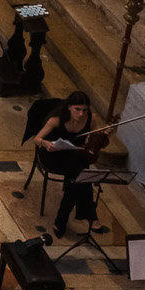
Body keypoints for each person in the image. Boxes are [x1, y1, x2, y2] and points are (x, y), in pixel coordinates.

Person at [32, 90, 106, 236]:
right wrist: (45, 143)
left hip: (75, 154)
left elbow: (96, 138)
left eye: (84, 110)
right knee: (81, 175)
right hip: (53, 154)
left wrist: (103, 135)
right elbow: (37, 139)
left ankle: (62, 218)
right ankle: (91, 215)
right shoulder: (57, 119)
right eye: (77, 109)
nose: (81, 114)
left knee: (77, 177)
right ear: (69, 107)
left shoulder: (90, 119)